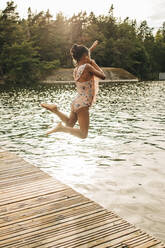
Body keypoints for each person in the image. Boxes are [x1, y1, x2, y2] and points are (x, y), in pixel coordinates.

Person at [41, 41, 105, 139]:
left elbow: (83, 56)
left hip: (76, 102)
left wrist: (91, 48)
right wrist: (93, 62)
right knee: (83, 134)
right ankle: (61, 128)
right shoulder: (88, 66)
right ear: (85, 56)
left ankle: (55, 110)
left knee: (69, 124)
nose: (89, 58)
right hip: (83, 104)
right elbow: (103, 76)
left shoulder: (76, 69)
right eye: (88, 56)